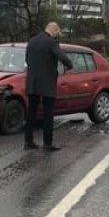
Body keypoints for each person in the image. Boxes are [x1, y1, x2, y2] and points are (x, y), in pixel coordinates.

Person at [24, 21, 73, 150]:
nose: (57, 36)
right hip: (47, 83)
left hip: (32, 82)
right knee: (48, 114)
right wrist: (69, 65)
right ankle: (48, 143)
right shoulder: (52, 42)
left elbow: (27, 59)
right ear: (55, 31)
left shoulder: (32, 41)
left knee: (31, 113)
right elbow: (62, 56)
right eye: (57, 33)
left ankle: (28, 142)